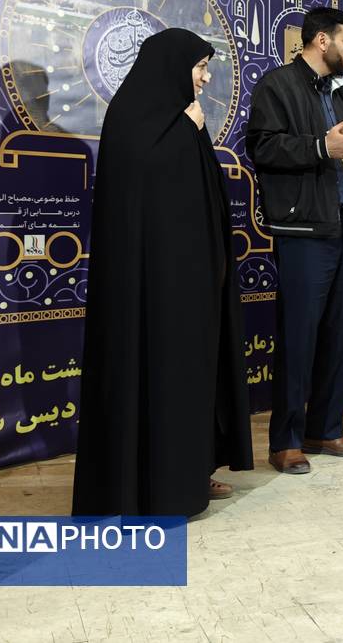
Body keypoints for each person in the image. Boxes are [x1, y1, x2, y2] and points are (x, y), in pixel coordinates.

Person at [73, 29, 253, 516]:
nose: (206, 78)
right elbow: (143, 182)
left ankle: (191, 475)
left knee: (190, 379)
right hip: (150, 287)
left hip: (191, 281)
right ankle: (152, 489)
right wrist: (185, 132)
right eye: (201, 67)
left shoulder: (181, 117)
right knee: (156, 377)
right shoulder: (134, 116)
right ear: (172, 65)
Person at [246, 7, 343, 476]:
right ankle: (286, 442)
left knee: (342, 336)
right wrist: (320, 147)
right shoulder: (278, 85)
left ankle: (326, 429)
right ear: (321, 41)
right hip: (304, 232)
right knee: (299, 338)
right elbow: (262, 147)